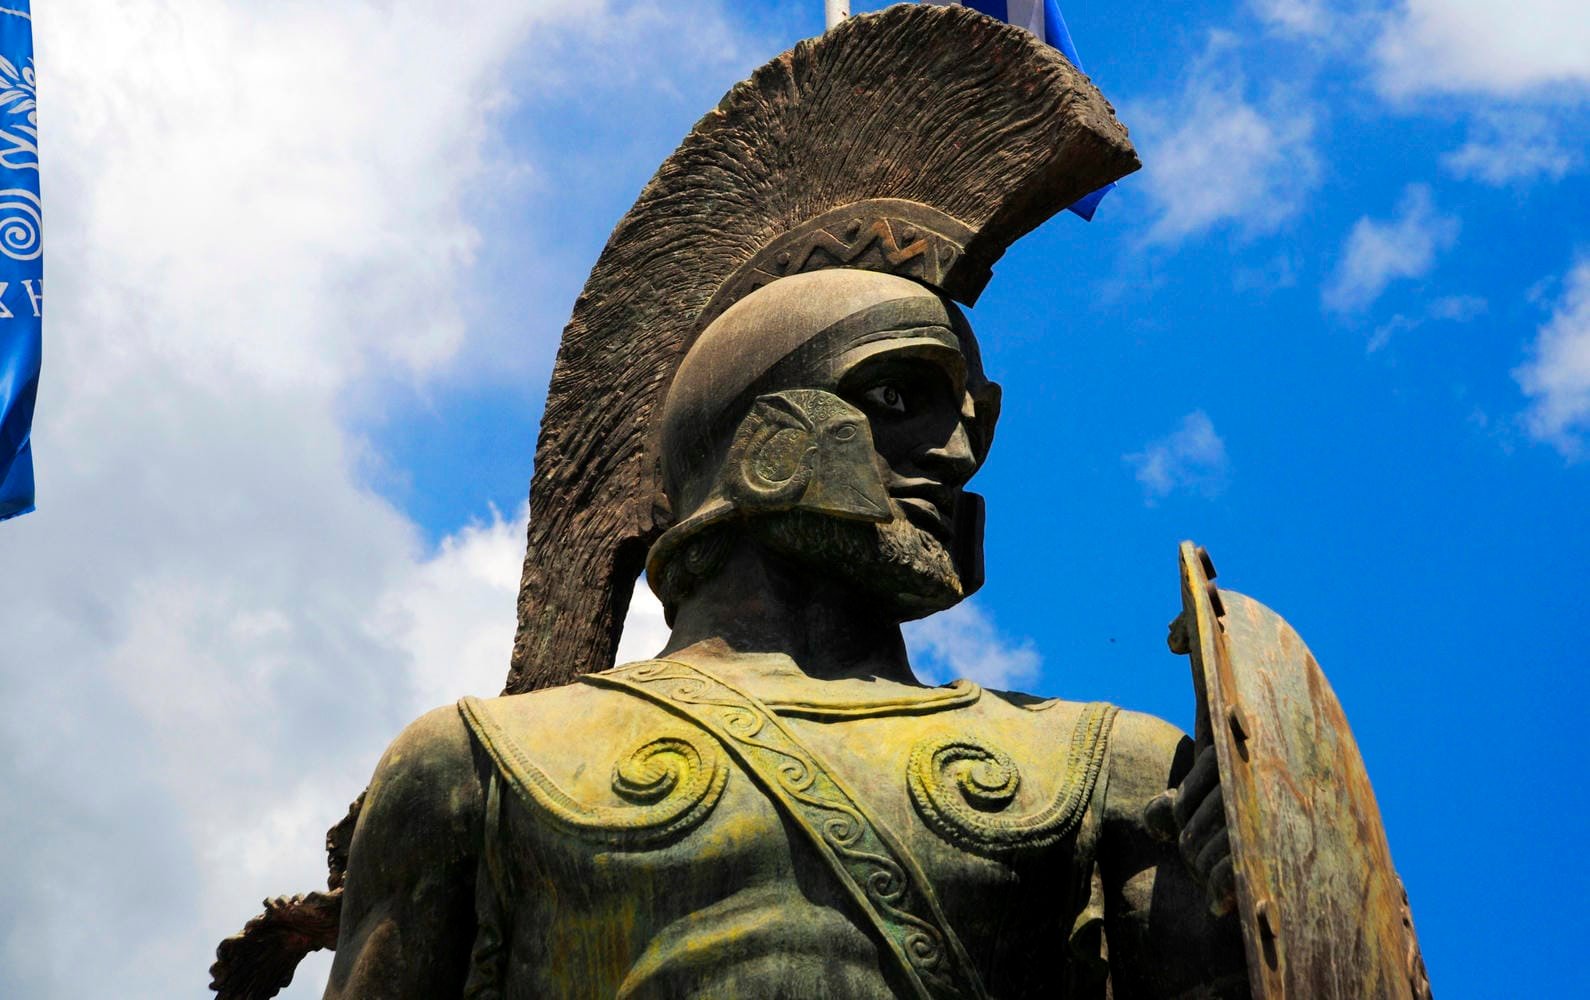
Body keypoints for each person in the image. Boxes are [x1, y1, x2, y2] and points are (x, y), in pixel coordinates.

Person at [322, 269, 1247, 999]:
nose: (960, 455)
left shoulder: (1109, 769)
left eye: (975, 422)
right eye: (899, 397)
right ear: (762, 441)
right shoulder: (477, 766)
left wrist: (1255, 882)